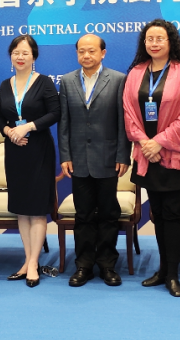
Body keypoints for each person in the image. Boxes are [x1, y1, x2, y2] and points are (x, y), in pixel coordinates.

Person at [122, 19, 180, 298]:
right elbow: (128, 112)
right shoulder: (136, 72)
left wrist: (160, 142)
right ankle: (163, 270)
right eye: (149, 39)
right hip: (147, 155)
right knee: (157, 214)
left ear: (170, 42)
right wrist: (145, 142)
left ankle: (174, 274)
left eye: (159, 39)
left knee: (172, 214)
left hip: (174, 156)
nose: (154, 43)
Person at [58, 34, 130, 288]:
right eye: (81, 51)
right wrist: (65, 155)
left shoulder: (118, 79)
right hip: (78, 159)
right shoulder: (67, 81)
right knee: (84, 215)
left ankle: (108, 265)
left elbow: (123, 121)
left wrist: (122, 154)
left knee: (109, 214)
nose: (86, 55)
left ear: (103, 53)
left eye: (91, 51)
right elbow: (64, 122)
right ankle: (84, 265)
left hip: (108, 158)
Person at [0, 35, 60, 288]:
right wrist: (9, 132)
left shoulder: (44, 82)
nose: (20, 57)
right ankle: (27, 259)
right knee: (22, 209)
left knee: (37, 209)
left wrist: (28, 127)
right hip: (15, 151)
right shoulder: (5, 84)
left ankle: (33, 263)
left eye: (25, 53)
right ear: (10, 56)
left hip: (38, 150)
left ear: (34, 56)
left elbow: (55, 112)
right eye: (16, 52)